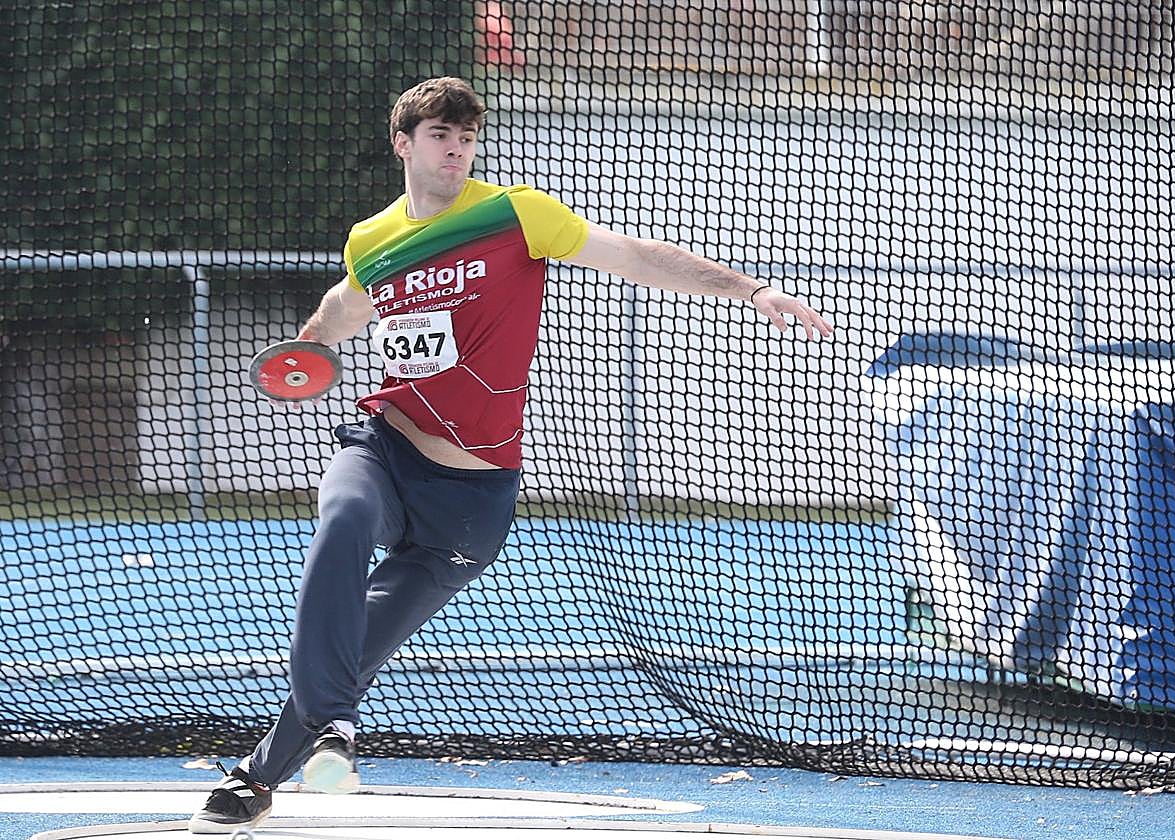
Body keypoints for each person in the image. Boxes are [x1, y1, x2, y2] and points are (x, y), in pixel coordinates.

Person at [188, 76, 833, 833]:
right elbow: (345, 302)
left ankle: (255, 779)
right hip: (388, 445)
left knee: (355, 647)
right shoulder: (373, 238)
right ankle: (335, 729)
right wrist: (310, 347)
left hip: (470, 504)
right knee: (343, 519)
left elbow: (636, 257)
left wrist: (750, 289)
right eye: (439, 136)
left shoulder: (515, 213)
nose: (455, 148)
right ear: (404, 144)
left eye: (466, 137)